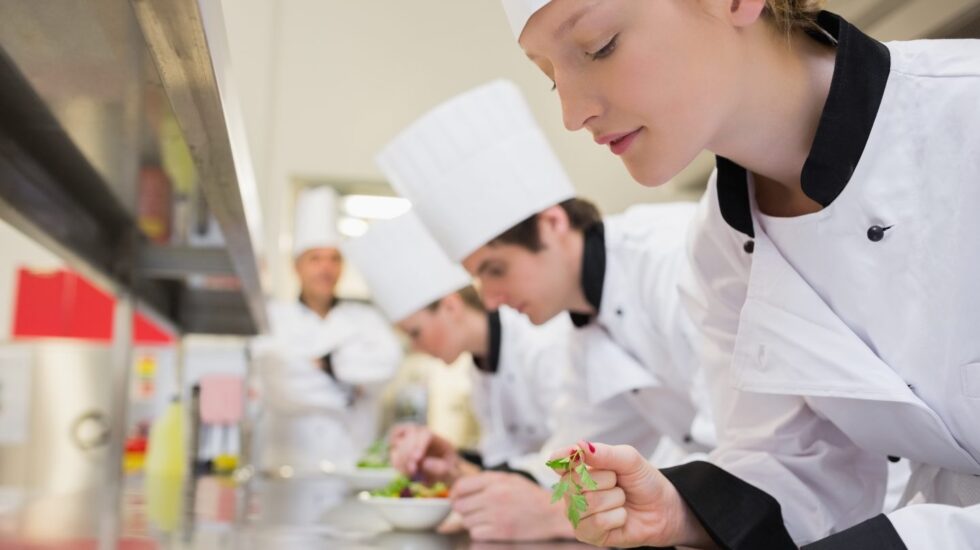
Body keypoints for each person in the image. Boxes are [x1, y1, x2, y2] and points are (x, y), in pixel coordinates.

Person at [504, 0, 980, 548]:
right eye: (549, 77)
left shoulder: (963, 113)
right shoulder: (722, 244)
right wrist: (683, 510)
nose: (571, 114)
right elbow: (802, 462)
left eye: (598, 46)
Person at [378, 79, 715, 482]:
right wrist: (459, 468)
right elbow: (572, 458)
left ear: (552, 224)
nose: (490, 300)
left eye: (495, 269)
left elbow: (748, 445)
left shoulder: (670, 258)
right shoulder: (587, 328)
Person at [344, 210, 659, 541]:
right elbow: (541, 460)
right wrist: (455, 466)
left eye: (416, 332)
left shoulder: (546, 340)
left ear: (451, 307)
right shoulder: (482, 369)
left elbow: (577, 456)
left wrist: (552, 512)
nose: (417, 347)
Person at [251, 186, 401, 474]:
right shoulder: (273, 319)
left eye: (334, 258)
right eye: (315, 258)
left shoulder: (367, 319)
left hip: (352, 466)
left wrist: (323, 365)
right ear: (297, 267)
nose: (326, 268)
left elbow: (387, 366)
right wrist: (350, 389)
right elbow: (279, 384)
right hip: (287, 469)